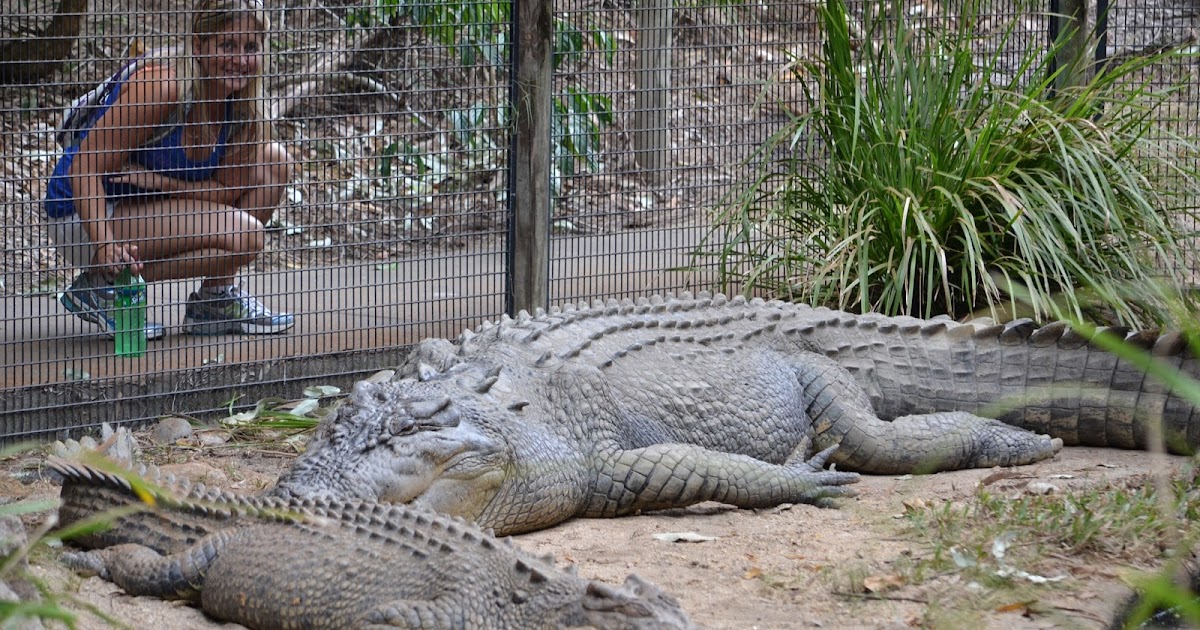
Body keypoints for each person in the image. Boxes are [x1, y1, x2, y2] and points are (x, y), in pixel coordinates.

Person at [44, 0, 295, 338]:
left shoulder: (245, 110)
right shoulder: (164, 85)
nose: (240, 59)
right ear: (198, 44)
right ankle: (103, 284)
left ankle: (215, 301)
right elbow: (84, 167)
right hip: (84, 213)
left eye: (251, 47)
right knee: (245, 235)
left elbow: (225, 192)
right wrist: (104, 246)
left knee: (274, 161)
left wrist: (156, 181)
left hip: (147, 210)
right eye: (227, 45)